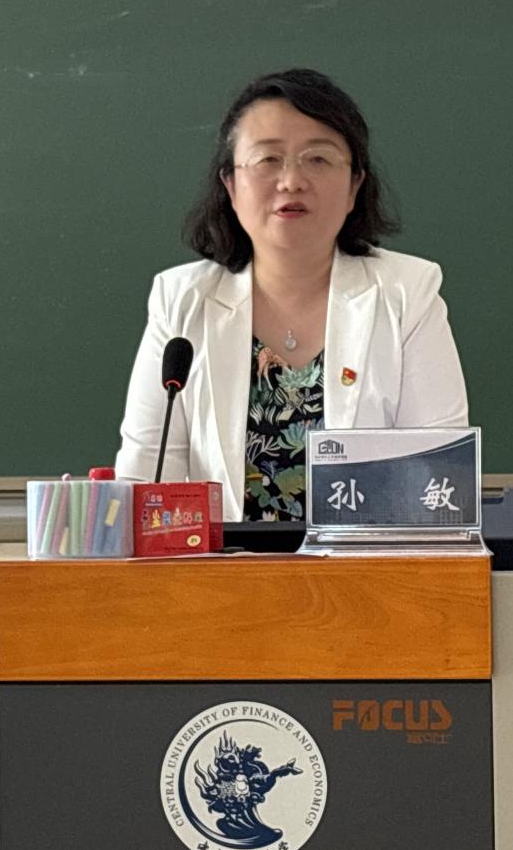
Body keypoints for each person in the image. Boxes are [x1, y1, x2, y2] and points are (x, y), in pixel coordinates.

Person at [115, 68, 468, 522]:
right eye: (268, 159)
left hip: (366, 564)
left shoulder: (407, 293)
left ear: (354, 186)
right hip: (219, 566)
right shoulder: (182, 300)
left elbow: (438, 476)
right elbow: (145, 478)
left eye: (318, 159)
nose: (292, 181)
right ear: (231, 185)